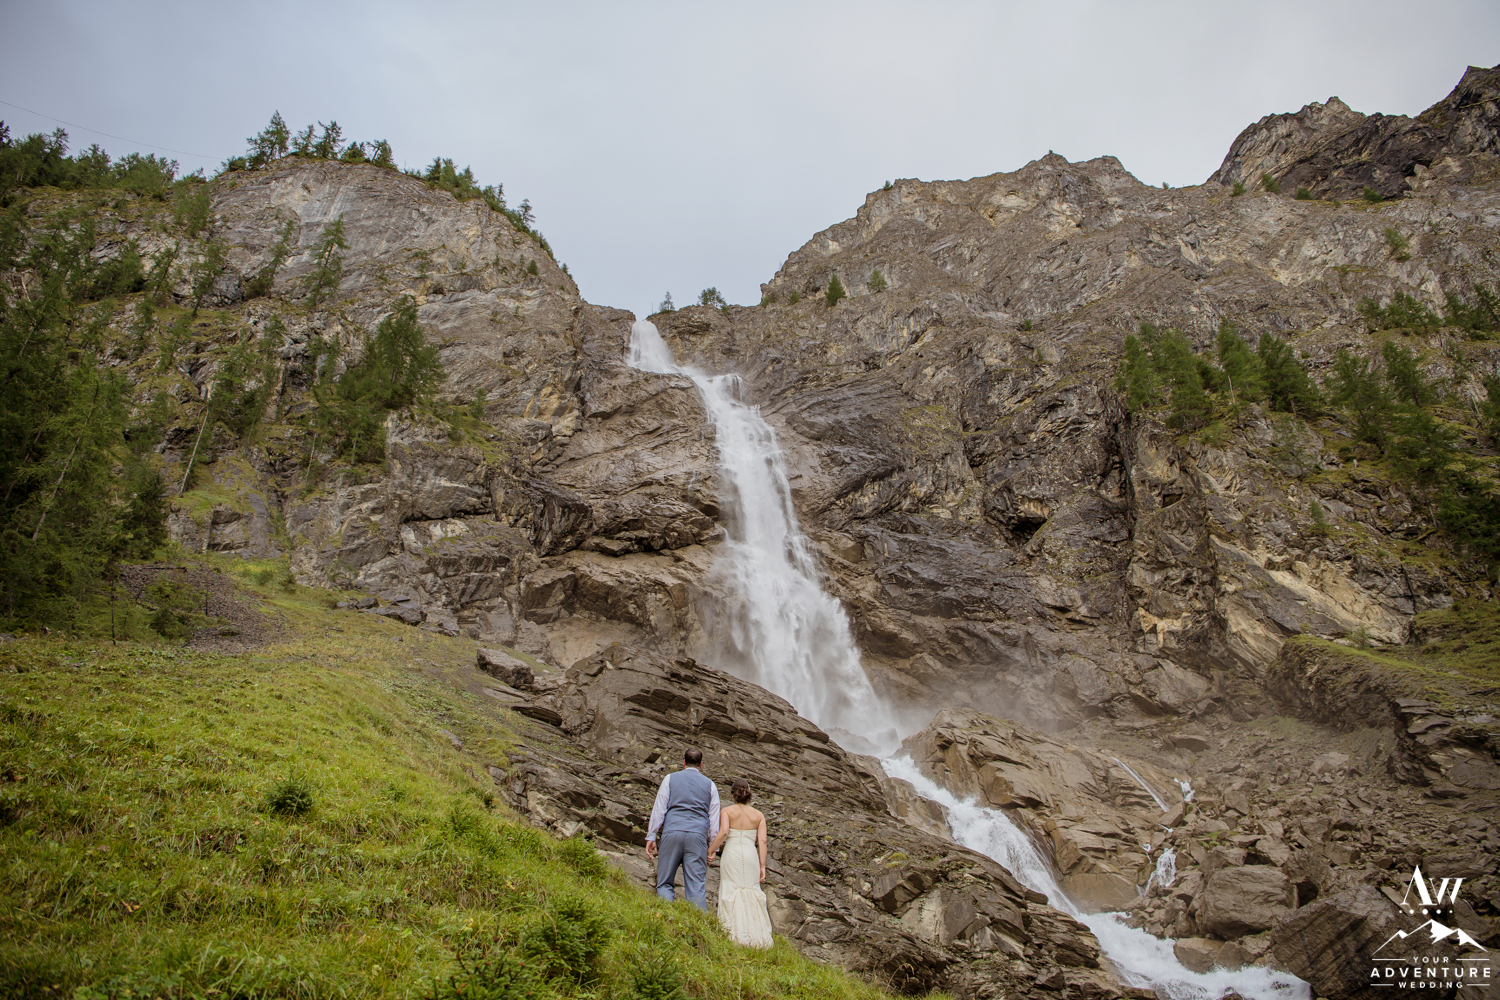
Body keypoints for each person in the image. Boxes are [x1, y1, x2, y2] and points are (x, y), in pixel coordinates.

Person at [644, 747, 720, 910]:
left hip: (672, 833)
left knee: (664, 882)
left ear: (684, 763)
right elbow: (714, 819)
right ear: (701, 765)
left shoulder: (670, 779)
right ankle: (698, 928)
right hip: (697, 837)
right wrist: (714, 846)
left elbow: (659, 809)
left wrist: (651, 836)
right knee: (696, 887)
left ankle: (663, 920)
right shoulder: (710, 785)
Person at [708, 778, 773, 948]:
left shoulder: (727, 811)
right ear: (749, 795)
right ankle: (758, 937)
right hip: (750, 854)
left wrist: (711, 850)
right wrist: (762, 865)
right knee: (751, 890)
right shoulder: (759, 816)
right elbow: (763, 841)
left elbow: (723, 833)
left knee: (732, 888)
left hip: (732, 852)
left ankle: (733, 932)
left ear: (733, 794)